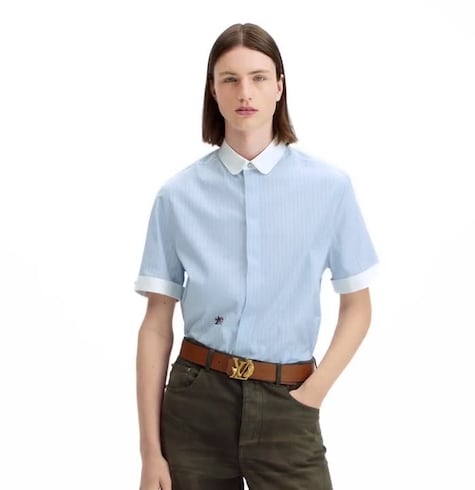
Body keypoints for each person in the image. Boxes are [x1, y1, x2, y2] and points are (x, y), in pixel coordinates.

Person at [134, 22, 378, 490]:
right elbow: (156, 323)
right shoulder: (177, 196)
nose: (244, 92)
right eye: (230, 79)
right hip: (195, 405)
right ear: (213, 90)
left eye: (259, 77)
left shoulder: (329, 189)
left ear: (280, 87)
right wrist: (150, 451)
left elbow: (358, 306)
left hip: (289, 401)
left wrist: (313, 393)